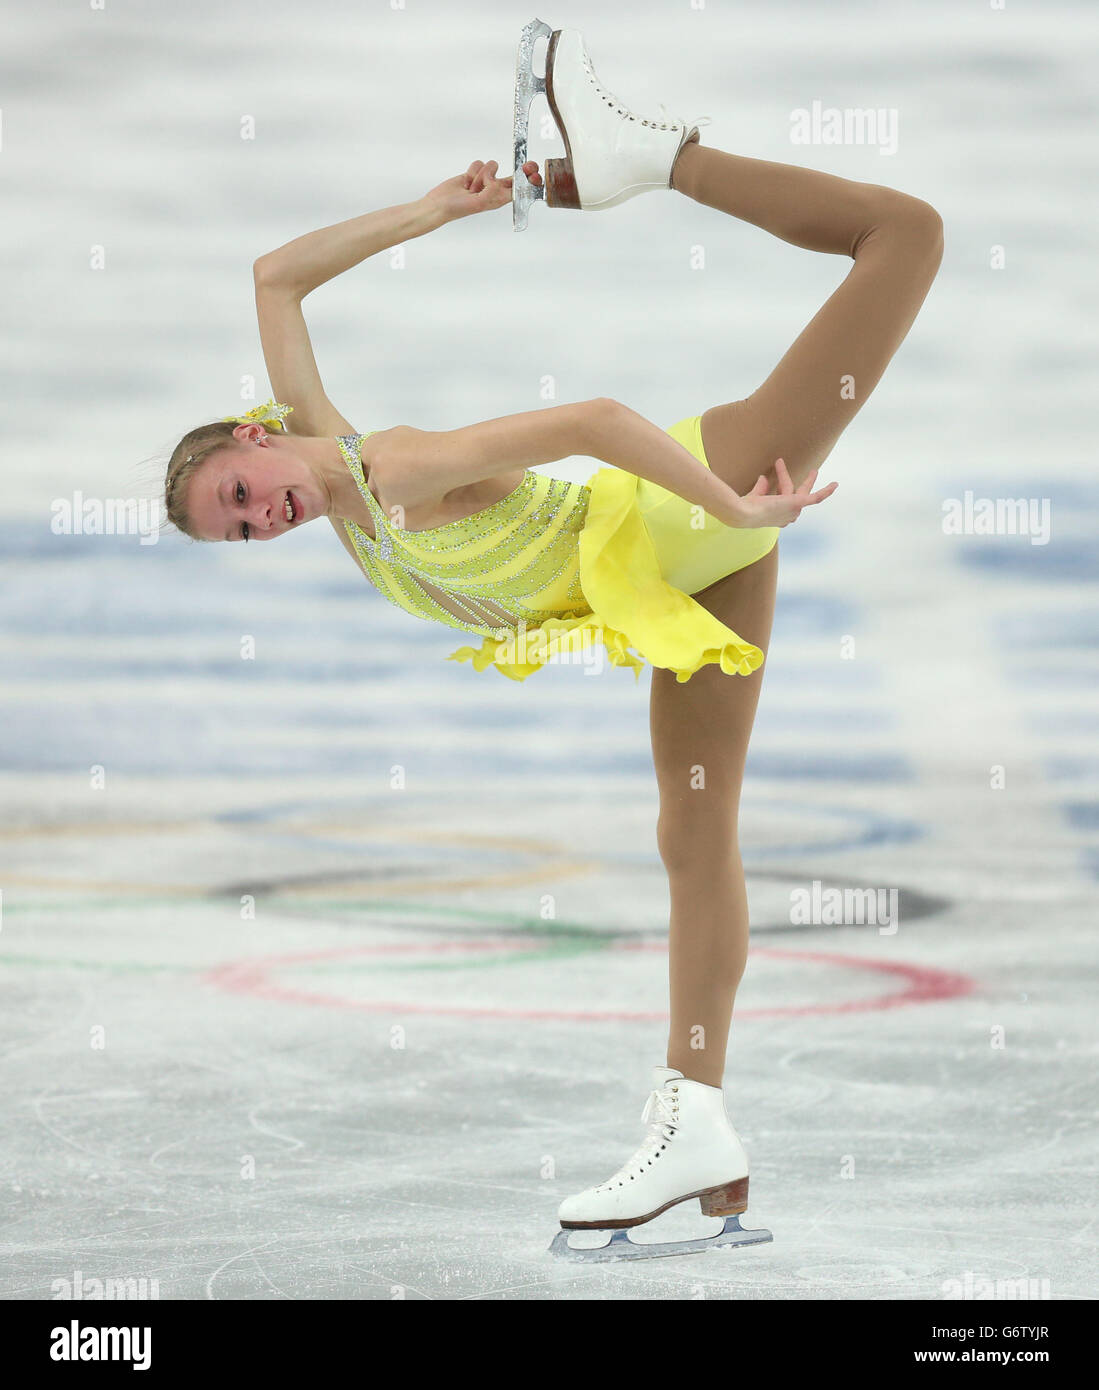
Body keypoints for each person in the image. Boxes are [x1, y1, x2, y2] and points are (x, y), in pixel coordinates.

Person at [161, 24, 942, 1258]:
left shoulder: (392, 473)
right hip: (659, 569)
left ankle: (657, 158)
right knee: (695, 831)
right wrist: (430, 212)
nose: (262, 523)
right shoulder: (335, 483)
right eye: (240, 536)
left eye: (240, 499)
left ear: (248, 442)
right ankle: (700, 1124)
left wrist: (732, 503)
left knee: (904, 236)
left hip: (680, 510)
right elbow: (273, 277)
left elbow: (589, 417)